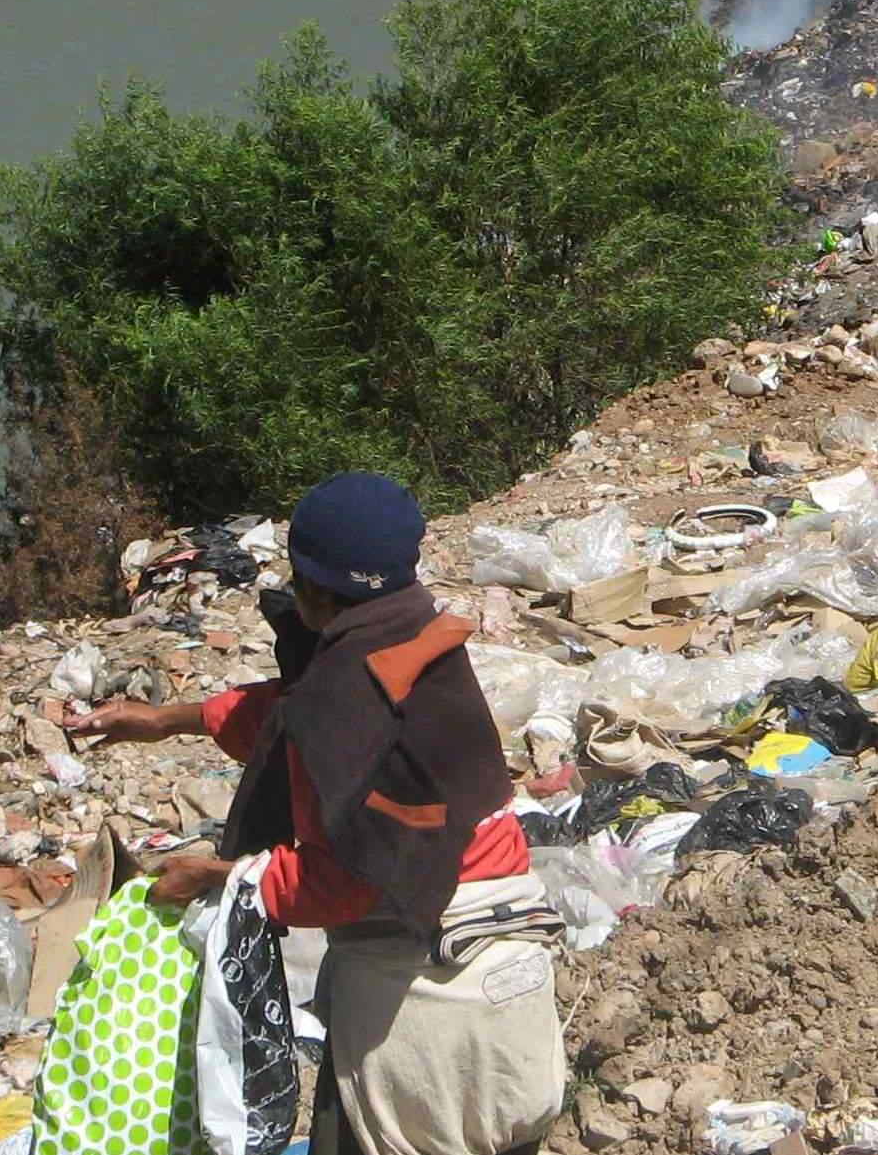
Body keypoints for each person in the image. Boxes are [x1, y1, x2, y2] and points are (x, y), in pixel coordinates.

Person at [64, 472, 566, 1155]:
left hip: (426, 1000)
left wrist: (222, 879)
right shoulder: (413, 638)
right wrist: (167, 720)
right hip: (510, 963)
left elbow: (349, 882)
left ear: (311, 588)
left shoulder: (343, 698)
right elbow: (294, 719)